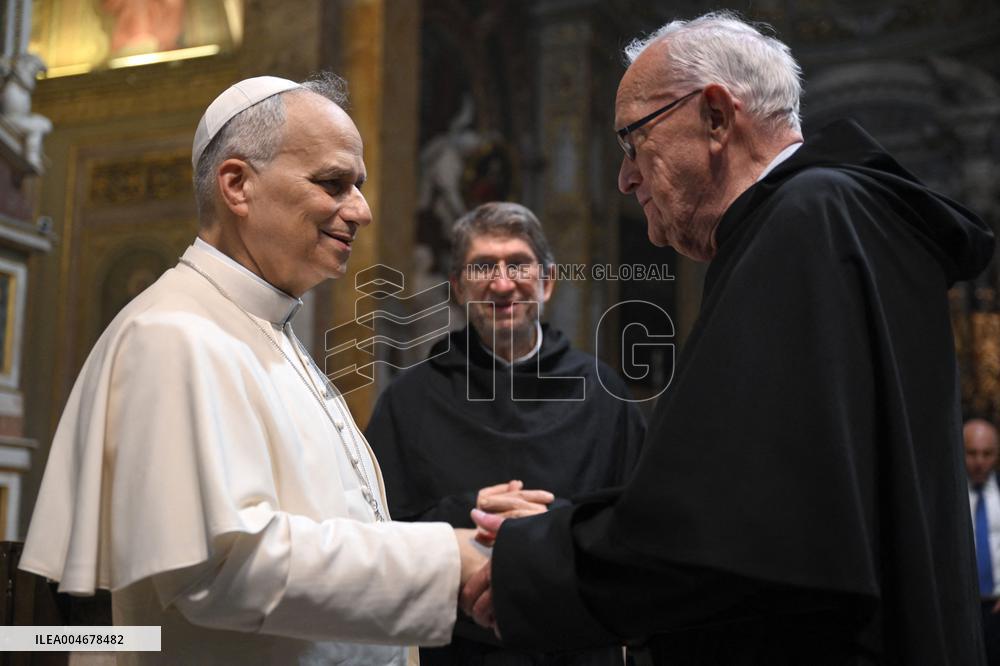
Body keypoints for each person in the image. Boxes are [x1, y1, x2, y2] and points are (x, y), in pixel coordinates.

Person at [460, 12, 995, 666]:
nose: (626, 179)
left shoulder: (806, 222)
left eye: (633, 141)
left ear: (716, 116)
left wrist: (533, 564)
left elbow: (725, 527)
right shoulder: (842, 218)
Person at [19, 73, 486, 665]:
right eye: (333, 184)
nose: (362, 211)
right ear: (237, 185)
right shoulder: (172, 334)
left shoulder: (266, 326)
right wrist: (448, 560)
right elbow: (223, 564)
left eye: (358, 186)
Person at [366, 201, 645, 665]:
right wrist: (467, 512)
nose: (501, 284)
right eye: (481, 267)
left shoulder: (604, 394)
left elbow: (639, 527)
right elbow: (372, 536)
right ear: (457, 288)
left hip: (574, 645)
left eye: (518, 263)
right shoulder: (409, 400)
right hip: (456, 649)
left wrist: (554, 521)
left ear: (547, 281)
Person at [966, 418, 1000, 665]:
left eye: (987, 454)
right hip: (961, 608)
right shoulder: (947, 496)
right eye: (972, 453)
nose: (979, 462)